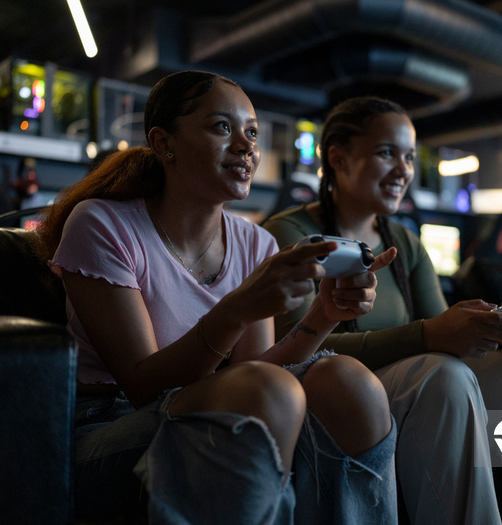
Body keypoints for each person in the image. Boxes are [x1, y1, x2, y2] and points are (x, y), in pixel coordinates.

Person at [35, 72, 399, 524]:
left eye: (251, 132)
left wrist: (324, 315)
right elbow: (144, 386)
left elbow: (260, 372)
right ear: (164, 142)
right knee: (269, 390)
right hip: (109, 425)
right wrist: (240, 306)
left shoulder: (255, 243)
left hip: (209, 404)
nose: (247, 146)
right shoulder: (102, 224)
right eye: (222, 127)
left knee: (351, 382)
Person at [262, 96, 502, 525]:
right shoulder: (291, 233)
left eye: (408, 156)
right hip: (339, 398)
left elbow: (442, 331)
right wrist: (429, 336)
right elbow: (296, 356)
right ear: (339, 159)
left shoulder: (404, 241)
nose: (404, 170)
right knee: (444, 375)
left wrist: (494, 333)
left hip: (409, 389)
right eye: (387, 153)